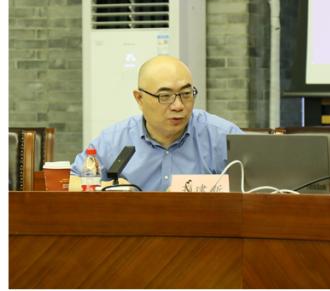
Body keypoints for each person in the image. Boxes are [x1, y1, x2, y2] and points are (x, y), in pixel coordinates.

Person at [71, 55, 242, 191]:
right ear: (139, 98)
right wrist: (106, 186)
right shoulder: (113, 141)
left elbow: (256, 187)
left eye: (186, 94)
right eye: (165, 96)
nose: (178, 106)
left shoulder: (223, 136)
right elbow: (68, 182)